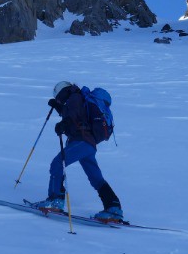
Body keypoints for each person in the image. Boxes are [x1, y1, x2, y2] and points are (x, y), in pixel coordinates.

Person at [30, 80, 124, 222]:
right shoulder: (77, 99)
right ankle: (113, 207)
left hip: (82, 142)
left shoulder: (74, 97)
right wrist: (59, 109)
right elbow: (77, 115)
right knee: (95, 178)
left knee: (57, 163)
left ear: (62, 92)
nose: (59, 100)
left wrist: (64, 123)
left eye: (58, 97)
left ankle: (55, 200)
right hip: (88, 145)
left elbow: (73, 117)